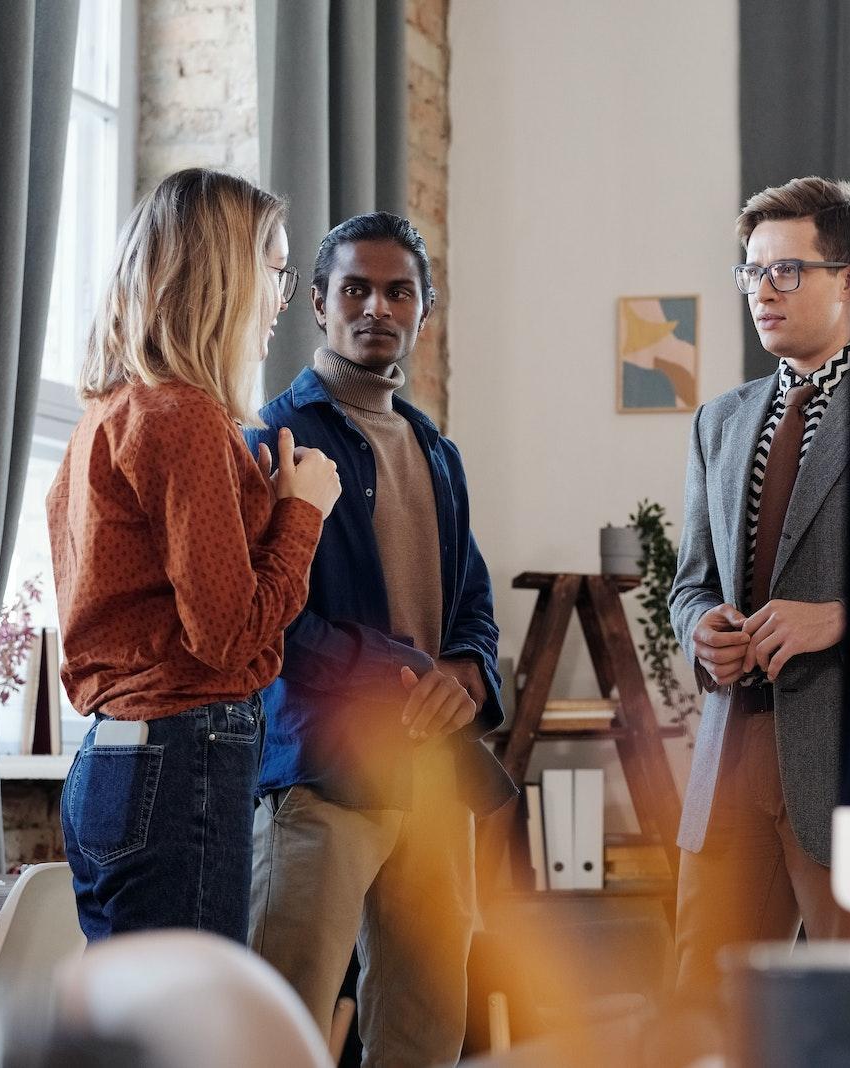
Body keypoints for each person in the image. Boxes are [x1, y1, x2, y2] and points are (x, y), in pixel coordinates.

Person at [245, 211, 514, 1064]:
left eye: (399, 291)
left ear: (422, 311)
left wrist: (465, 673)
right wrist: (404, 671)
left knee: (426, 1027)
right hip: (322, 774)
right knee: (278, 1020)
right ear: (317, 301)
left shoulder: (439, 452)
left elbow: (471, 599)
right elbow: (272, 616)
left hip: (435, 777)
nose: (376, 307)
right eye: (355, 288)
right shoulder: (273, 438)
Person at [48, 168, 341, 942]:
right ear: (226, 275)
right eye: (276, 271)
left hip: (112, 764)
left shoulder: (106, 416)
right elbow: (230, 635)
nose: (283, 300)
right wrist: (303, 515)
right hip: (181, 759)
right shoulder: (183, 418)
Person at [670, 176, 850, 995]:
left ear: (849, 279)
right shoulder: (720, 420)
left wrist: (841, 619)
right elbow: (689, 584)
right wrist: (700, 627)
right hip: (729, 755)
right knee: (701, 1021)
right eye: (751, 273)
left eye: (786, 271)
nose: (762, 293)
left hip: (845, 766)